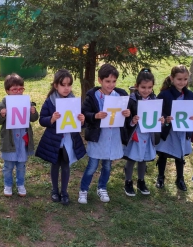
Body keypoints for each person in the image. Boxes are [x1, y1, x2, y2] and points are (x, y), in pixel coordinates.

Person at [78, 63, 131, 204]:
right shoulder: (92, 96)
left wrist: (128, 113)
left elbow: (128, 114)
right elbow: (84, 113)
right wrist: (95, 116)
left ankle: (102, 187)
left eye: (114, 81)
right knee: (92, 165)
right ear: (100, 80)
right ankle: (83, 190)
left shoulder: (120, 95)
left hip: (113, 137)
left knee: (107, 166)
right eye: (107, 81)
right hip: (98, 137)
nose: (111, 85)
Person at [36, 70, 86, 205]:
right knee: (55, 164)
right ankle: (54, 190)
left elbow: (80, 122)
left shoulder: (74, 101)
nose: (66, 88)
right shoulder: (50, 101)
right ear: (56, 85)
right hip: (54, 141)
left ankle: (64, 191)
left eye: (69, 85)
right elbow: (42, 120)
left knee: (65, 166)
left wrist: (82, 120)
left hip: (69, 141)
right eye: (63, 85)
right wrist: (51, 119)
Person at [0, 73, 39, 197]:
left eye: (21, 89)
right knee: (8, 166)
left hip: (23, 140)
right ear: (7, 91)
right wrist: (2, 114)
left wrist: (33, 112)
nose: (18, 92)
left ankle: (20, 184)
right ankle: (8, 185)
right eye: (14, 89)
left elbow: (34, 118)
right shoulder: (4, 102)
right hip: (10, 141)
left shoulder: (26, 101)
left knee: (21, 166)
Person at [155, 65, 193, 191]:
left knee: (180, 155)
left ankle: (180, 178)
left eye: (185, 79)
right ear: (172, 78)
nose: (182, 82)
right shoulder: (165, 94)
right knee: (163, 154)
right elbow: (158, 110)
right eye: (179, 79)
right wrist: (165, 118)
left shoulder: (190, 94)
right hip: (169, 131)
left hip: (182, 130)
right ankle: (160, 177)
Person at [123, 68, 164, 196]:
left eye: (149, 87)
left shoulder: (154, 99)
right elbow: (125, 118)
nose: (146, 90)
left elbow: (158, 115)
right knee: (132, 158)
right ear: (137, 86)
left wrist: (161, 119)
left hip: (148, 135)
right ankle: (128, 182)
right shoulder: (131, 100)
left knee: (143, 159)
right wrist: (132, 120)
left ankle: (141, 181)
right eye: (143, 87)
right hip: (135, 135)